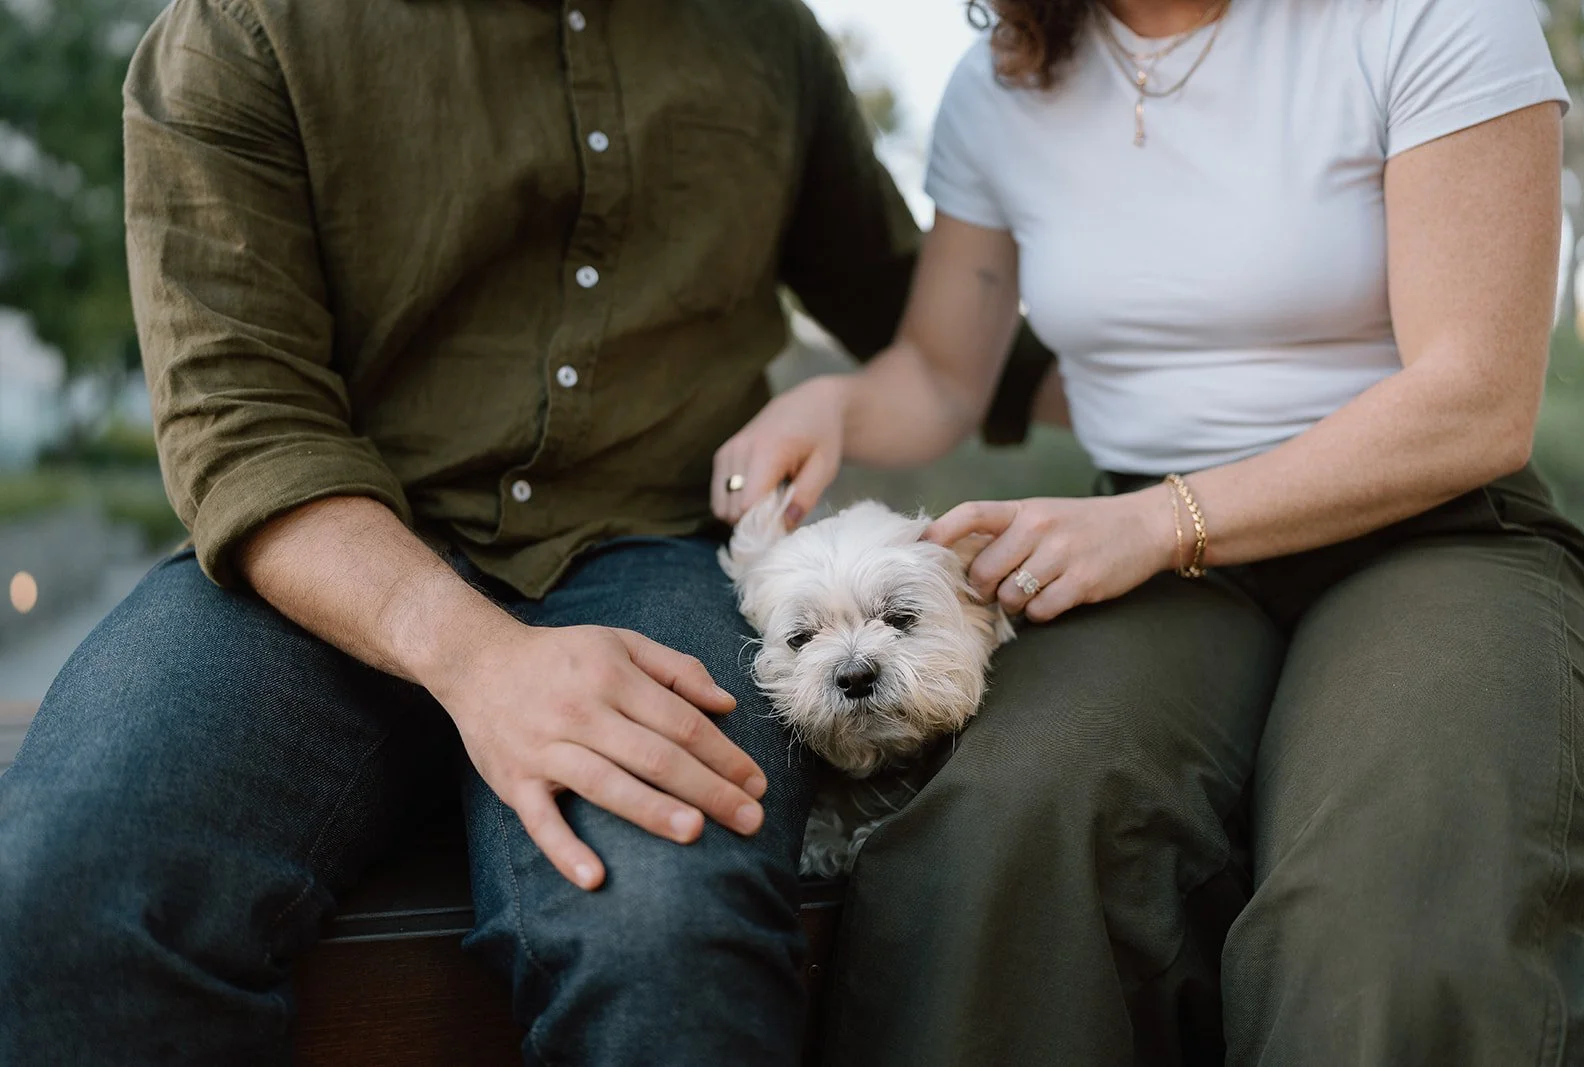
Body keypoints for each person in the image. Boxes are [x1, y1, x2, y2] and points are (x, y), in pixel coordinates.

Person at [0, 1, 1054, 1064]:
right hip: (323, 557)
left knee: (671, 935)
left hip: (646, 548)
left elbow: (899, 296)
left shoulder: (764, 33)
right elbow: (239, 421)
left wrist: (1168, 406)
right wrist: (474, 656)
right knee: (62, 899)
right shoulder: (241, 29)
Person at [716, 0, 1584, 1063]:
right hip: (1149, 554)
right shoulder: (998, 80)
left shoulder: (1429, 16)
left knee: (1396, 898)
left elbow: (1476, 398)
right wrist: (839, 408)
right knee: (1007, 828)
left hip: (1433, 530)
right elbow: (946, 370)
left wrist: (1162, 518)